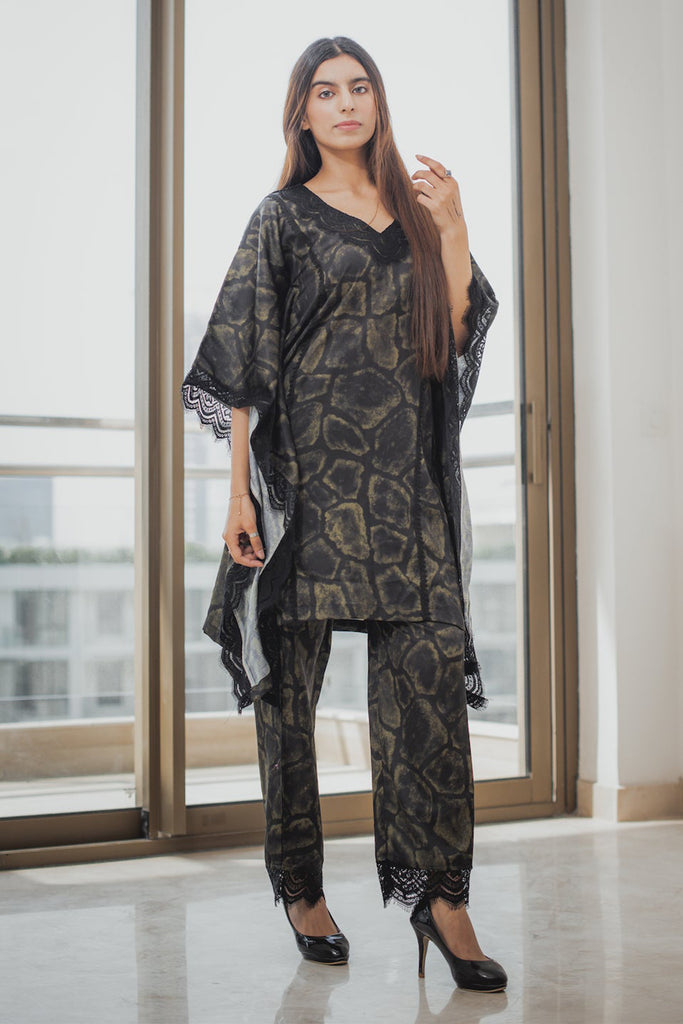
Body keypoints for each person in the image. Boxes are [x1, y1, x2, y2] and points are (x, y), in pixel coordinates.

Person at [181, 35, 507, 992]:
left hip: (404, 491)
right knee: (289, 698)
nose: (345, 103)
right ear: (302, 113)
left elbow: (453, 339)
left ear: (377, 102)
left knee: (428, 698)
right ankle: (301, 888)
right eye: (325, 91)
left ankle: (441, 900)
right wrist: (238, 492)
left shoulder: (417, 214)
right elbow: (243, 361)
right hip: (307, 490)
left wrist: (454, 230)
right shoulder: (281, 217)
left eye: (359, 87)